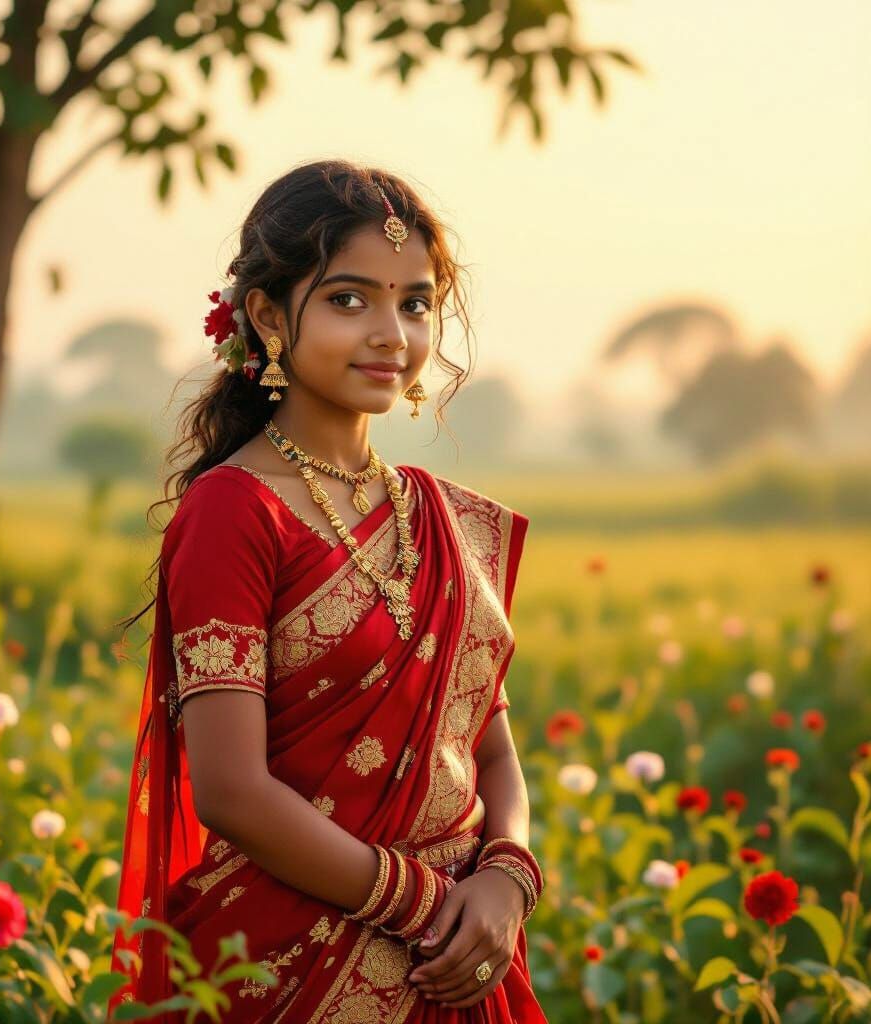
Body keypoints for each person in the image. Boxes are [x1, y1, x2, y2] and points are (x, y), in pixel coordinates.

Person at [109, 159, 548, 1023]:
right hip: (290, 964)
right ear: (269, 316)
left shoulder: (440, 519)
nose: (391, 332)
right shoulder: (233, 512)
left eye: (414, 303)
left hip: (461, 958)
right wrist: (423, 907)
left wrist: (507, 878)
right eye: (350, 299)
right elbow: (230, 790)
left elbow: (489, 748)